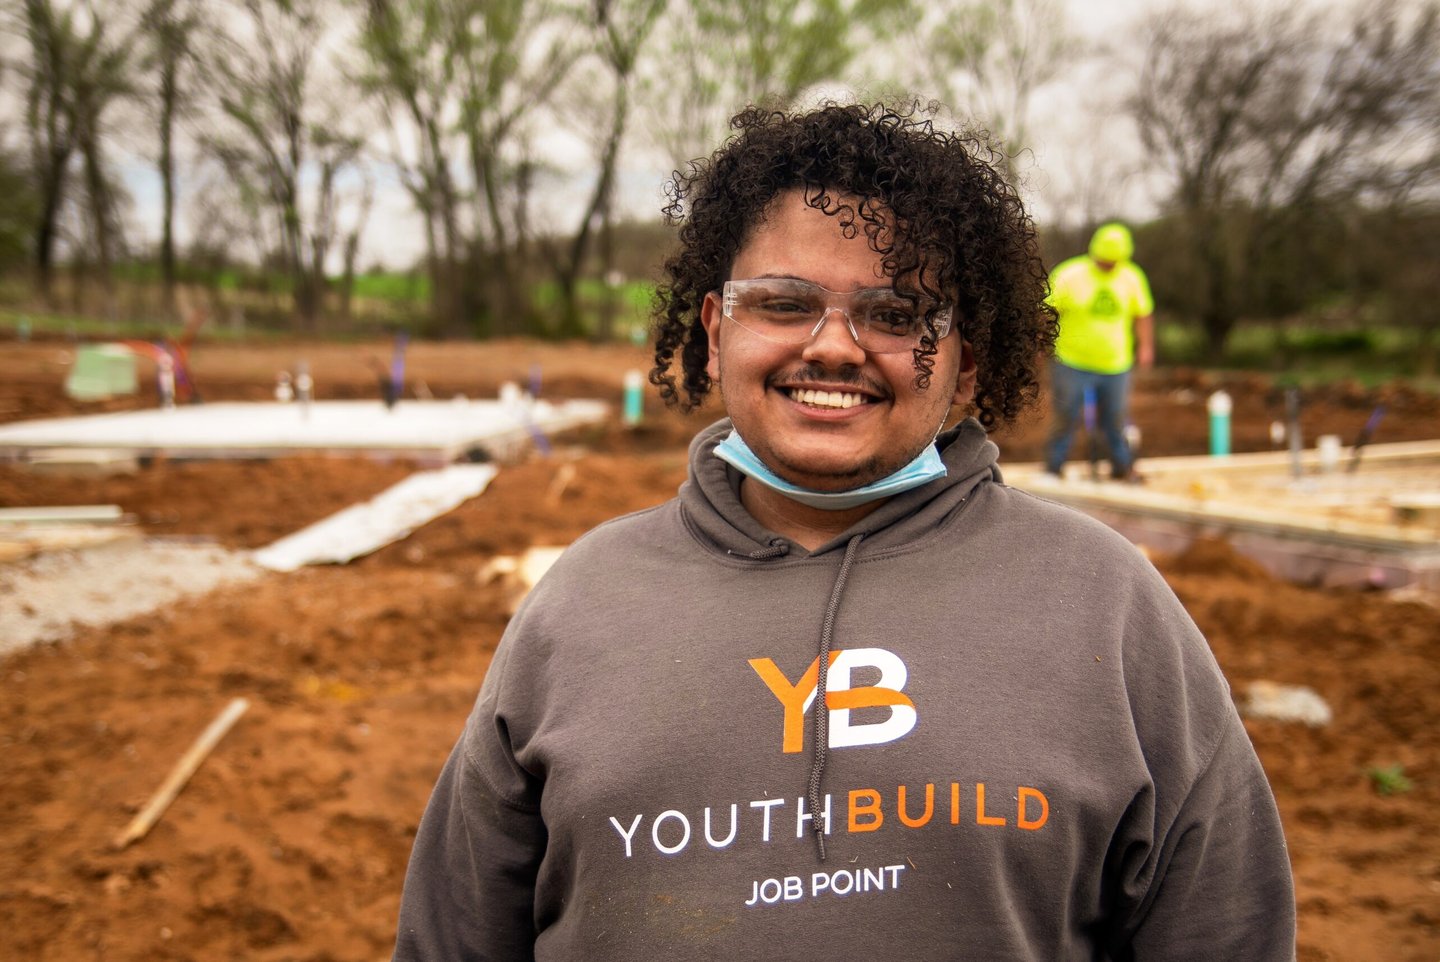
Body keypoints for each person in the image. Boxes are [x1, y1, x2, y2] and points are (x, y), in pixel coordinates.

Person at [391, 102, 1294, 960]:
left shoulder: (1105, 602)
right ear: (715, 332)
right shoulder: (580, 606)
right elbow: (454, 937)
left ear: (967, 365)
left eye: (894, 315)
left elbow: (1225, 931)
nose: (833, 346)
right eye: (783, 302)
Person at [1043, 222, 1155, 481]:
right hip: (1070, 360)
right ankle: (1053, 467)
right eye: (1105, 260)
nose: (1109, 265)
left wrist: (1146, 347)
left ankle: (1122, 467)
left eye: (1114, 261)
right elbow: (1046, 312)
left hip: (1115, 363)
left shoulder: (1132, 277)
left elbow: (1143, 314)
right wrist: (1041, 343)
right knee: (1065, 415)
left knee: (1115, 419)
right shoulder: (1070, 274)